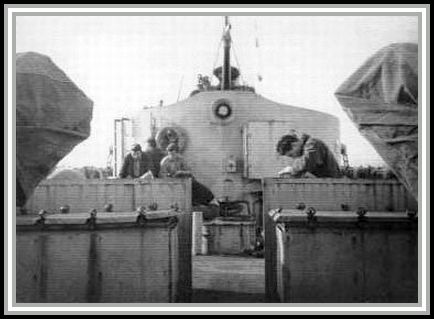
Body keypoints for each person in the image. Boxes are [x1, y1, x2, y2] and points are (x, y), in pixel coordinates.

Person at [160, 143, 217, 209]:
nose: (172, 156)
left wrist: (181, 173)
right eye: (170, 153)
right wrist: (171, 178)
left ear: (177, 152)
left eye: (174, 153)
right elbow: (162, 175)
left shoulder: (181, 160)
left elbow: (189, 172)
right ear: (168, 153)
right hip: (171, 183)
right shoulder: (165, 162)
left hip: (183, 181)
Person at [276, 131, 341, 178]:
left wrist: (291, 169)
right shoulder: (304, 152)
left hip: (333, 184)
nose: (293, 157)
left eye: (291, 155)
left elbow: (308, 161)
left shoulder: (312, 143)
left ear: (294, 145)